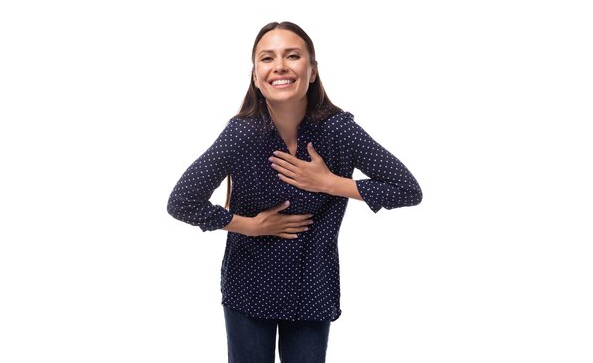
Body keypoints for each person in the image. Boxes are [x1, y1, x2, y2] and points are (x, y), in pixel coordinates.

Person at [167, 21, 422, 363]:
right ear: (256, 76)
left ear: (312, 71)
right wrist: (250, 225)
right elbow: (182, 201)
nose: (280, 66)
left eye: (293, 56)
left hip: (312, 289)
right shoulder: (241, 134)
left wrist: (331, 183)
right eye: (267, 58)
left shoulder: (338, 129)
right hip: (249, 287)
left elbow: (407, 189)